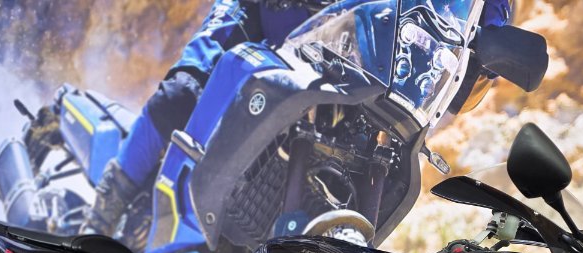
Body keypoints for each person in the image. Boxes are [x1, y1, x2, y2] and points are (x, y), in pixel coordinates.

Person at [80, 0, 513, 238]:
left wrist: (496, 49)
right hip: (272, 15)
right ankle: (102, 216)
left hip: (363, 66)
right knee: (183, 93)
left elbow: (483, 23)